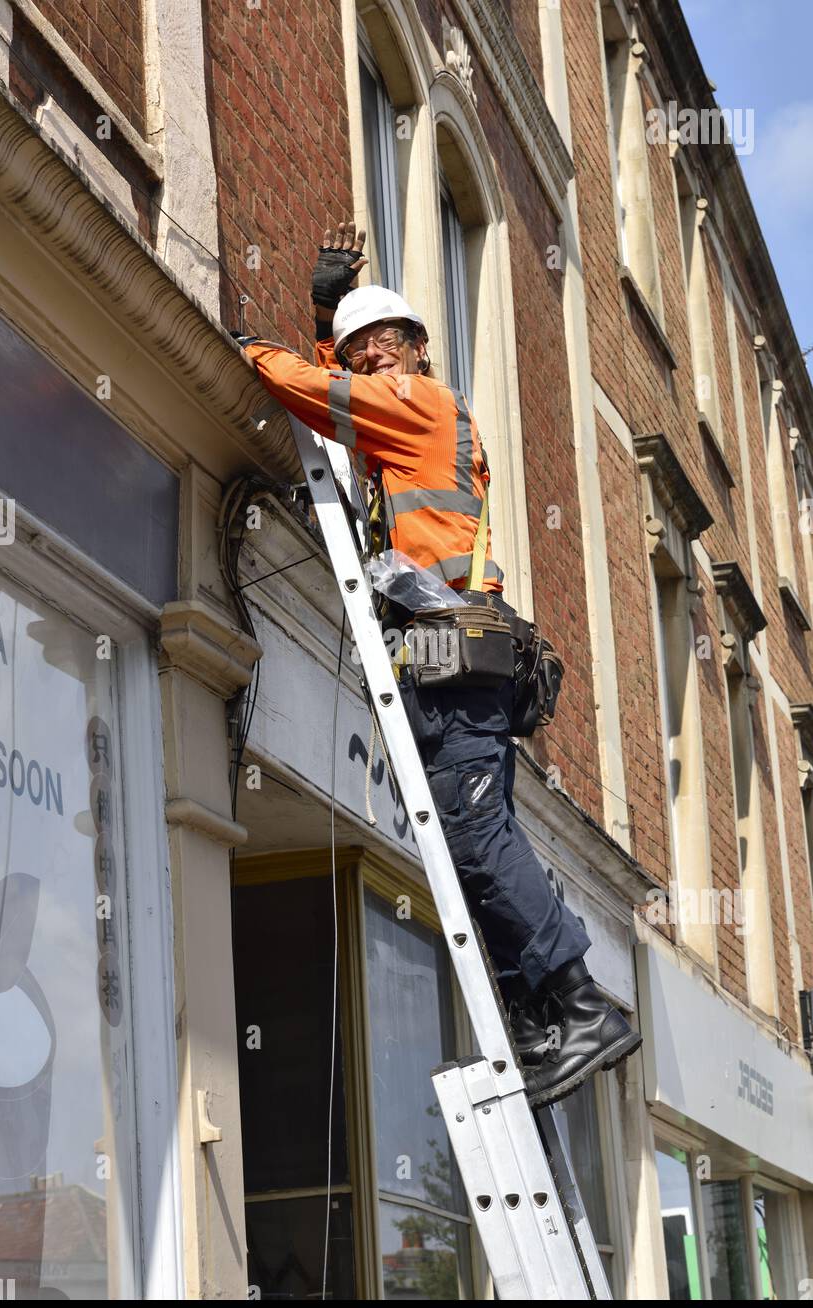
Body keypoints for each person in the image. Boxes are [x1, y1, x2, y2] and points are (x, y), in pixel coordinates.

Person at [233, 218, 641, 1105]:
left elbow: (323, 397)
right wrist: (326, 311)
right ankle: (538, 1020)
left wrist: (257, 348)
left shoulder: (419, 403)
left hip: (455, 654)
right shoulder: (403, 415)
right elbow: (345, 397)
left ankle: (581, 1006)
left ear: (415, 350)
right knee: (460, 845)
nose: (372, 357)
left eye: (385, 343)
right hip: (439, 656)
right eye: (360, 347)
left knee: (479, 832)